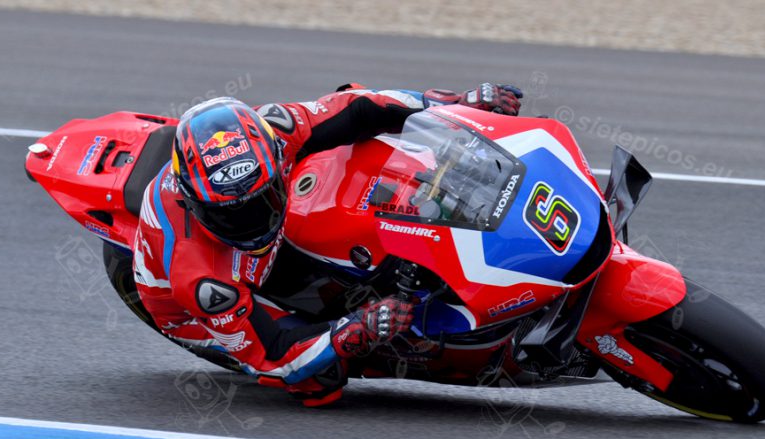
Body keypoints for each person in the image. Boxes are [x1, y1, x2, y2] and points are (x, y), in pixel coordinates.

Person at [133, 83, 523, 406]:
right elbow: (272, 355)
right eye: (230, 214)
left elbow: (358, 106)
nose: (251, 221)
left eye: (261, 200)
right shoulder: (200, 279)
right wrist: (356, 329)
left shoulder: (273, 130)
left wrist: (450, 105)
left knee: (355, 153)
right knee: (319, 381)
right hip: (193, 312)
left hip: (273, 236)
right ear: (193, 202)